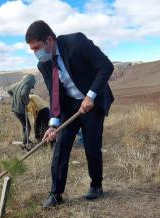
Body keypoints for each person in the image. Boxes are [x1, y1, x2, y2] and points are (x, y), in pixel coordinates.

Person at [25, 20, 114, 208]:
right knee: (61, 147)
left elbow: (106, 66)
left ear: (49, 40)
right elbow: (54, 94)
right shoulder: (44, 65)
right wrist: (53, 124)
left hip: (92, 98)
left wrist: (90, 96)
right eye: (32, 50)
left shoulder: (76, 43)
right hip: (69, 105)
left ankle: (96, 185)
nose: (36, 53)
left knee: (91, 145)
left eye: (37, 48)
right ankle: (56, 193)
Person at [7, 74, 35, 146]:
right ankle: (25, 142)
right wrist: (26, 101)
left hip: (15, 110)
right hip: (20, 110)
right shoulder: (26, 86)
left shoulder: (19, 84)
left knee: (25, 126)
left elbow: (8, 90)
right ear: (30, 81)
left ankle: (26, 140)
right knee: (28, 127)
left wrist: (15, 97)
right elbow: (23, 94)